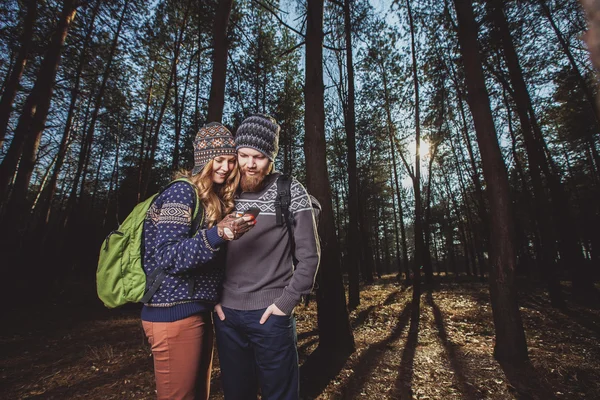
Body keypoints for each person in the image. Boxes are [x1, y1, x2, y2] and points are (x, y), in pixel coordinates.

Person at [141, 122, 255, 400]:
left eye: (230, 161)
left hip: (195, 311)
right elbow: (168, 256)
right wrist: (217, 234)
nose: (226, 168)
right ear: (203, 161)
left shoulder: (211, 199)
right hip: (172, 313)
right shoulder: (181, 193)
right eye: (219, 160)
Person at [214, 114, 321, 400]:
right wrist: (215, 299)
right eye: (243, 155)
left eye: (258, 157)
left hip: (271, 315)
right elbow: (210, 250)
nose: (249, 164)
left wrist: (285, 303)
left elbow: (310, 256)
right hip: (228, 317)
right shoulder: (225, 192)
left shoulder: (291, 190)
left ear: (271, 157)